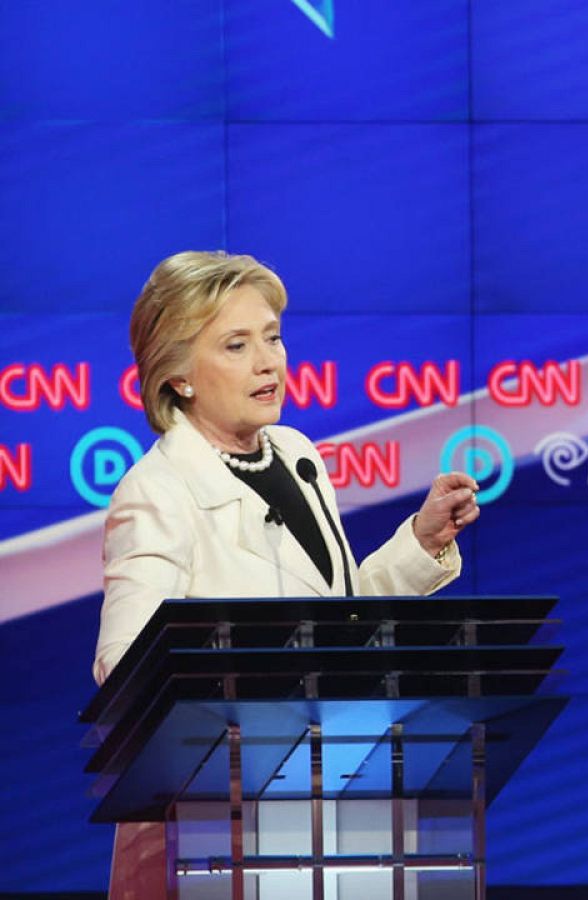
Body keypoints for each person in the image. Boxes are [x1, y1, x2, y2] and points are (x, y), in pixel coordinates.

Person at [94, 250, 482, 898]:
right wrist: (252, 695)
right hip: (213, 832)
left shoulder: (297, 455)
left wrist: (420, 542)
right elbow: (124, 663)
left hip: (323, 810)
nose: (268, 362)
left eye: (272, 337)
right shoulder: (158, 490)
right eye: (237, 345)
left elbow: (335, 623)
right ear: (179, 375)